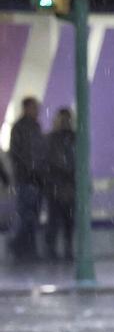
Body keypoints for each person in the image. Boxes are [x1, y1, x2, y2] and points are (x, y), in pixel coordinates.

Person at [6, 97, 45, 262]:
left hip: (33, 179)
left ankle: (24, 249)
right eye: (34, 108)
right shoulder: (21, 128)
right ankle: (19, 247)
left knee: (30, 216)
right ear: (27, 108)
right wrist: (30, 170)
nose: (37, 111)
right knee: (27, 216)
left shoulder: (32, 127)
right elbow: (17, 154)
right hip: (27, 179)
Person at [44, 108, 76, 261]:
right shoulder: (53, 139)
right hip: (58, 186)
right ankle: (53, 251)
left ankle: (63, 250)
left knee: (66, 222)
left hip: (64, 187)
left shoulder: (72, 138)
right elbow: (51, 161)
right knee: (57, 221)